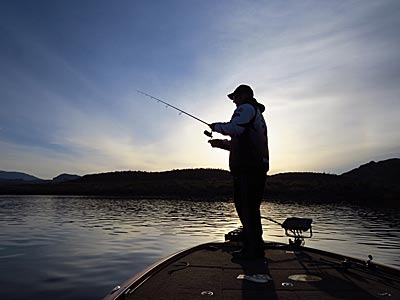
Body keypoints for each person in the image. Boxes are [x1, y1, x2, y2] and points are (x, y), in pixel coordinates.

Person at [209, 84, 269, 259]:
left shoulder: (245, 108)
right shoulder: (255, 113)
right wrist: (220, 143)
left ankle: (253, 250)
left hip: (248, 168)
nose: (233, 101)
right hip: (255, 166)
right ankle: (254, 246)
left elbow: (235, 129)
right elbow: (242, 140)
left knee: (246, 207)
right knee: (250, 207)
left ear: (243, 96)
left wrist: (215, 126)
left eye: (235, 97)